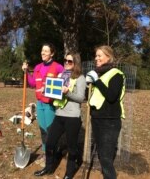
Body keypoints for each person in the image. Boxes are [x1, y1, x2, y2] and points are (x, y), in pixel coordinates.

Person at [34, 52, 86, 179]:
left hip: (72, 117)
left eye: (70, 61)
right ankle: (48, 168)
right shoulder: (61, 75)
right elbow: (55, 91)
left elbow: (80, 98)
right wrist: (46, 89)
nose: (66, 63)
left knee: (72, 147)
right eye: (65, 60)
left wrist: (68, 92)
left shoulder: (80, 78)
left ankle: (68, 174)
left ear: (76, 63)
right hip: (59, 114)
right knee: (50, 143)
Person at [85, 45, 125, 179]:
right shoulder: (100, 73)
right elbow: (93, 97)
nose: (96, 58)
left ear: (108, 57)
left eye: (99, 55)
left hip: (110, 121)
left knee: (106, 158)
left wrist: (97, 81)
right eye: (96, 55)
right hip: (97, 119)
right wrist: (88, 85)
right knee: (102, 155)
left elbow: (112, 96)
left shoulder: (116, 74)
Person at [22, 43, 64, 165]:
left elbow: (66, 79)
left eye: (46, 51)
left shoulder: (58, 67)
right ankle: (47, 154)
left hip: (50, 104)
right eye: (42, 50)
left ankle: (53, 155)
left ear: (52, 53)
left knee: (50, 130)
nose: (43, 53)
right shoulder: (38, 67)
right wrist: (26, 72)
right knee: (42, 130)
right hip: (39, 104)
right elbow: (32, 83)